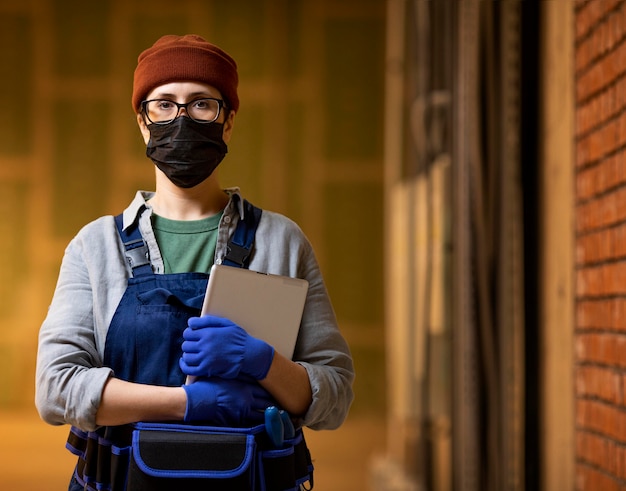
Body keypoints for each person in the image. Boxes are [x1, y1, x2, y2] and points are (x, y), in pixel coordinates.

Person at [35, 34, 354, 490]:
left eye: (202, 104)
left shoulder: (281, 242)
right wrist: (186, 403)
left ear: (227, 122)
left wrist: (263, 362)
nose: (181, 118)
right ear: (142, 122)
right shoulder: (95, 247)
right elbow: (55, 388)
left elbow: (335, 394)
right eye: (163, 104)